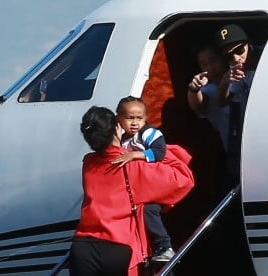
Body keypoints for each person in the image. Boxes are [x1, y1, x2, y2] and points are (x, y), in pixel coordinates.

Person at [69, 106, 194, 276]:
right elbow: (183, 178)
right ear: (116, 129)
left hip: (82, 247)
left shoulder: (88, 163)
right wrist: (153, 151)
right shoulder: (131, 164)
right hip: (118, 248)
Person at [113, 96, 176, 262]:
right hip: (138, 189)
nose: (135, 123)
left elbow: (159, 152)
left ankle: (165, 246)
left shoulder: (147, 133)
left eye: (139, 118)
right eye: (129, 118)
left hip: (154, 186)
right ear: (118, 119)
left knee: (149, 210)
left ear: (146, 118)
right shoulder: (122, 140)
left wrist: (135, 155)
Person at [215, 23, 263, 186]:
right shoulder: (235, 69)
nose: (236, 58)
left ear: (249, 43)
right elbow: (222, 102)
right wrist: (224, 81)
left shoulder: (266, 58)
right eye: (229, 56)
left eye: (239, 50)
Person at [187, 45, 229, 152]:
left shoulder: (242, 79)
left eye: (213, 61)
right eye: (204, 64)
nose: (211, 68)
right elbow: (197, 104)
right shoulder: (209, 91)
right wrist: (194, 89)